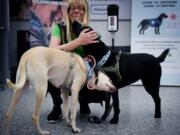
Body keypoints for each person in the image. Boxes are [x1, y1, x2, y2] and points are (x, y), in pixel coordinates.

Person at [30, 0, 98, 122]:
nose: (76, 10)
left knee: (96, 72)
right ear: (67, 11)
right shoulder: (59, 27)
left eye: (80, 8)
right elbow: (51, 49)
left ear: (85, 11)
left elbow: (95, 56)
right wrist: (78, 42)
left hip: (82, 71)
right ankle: (57, 106)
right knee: (49, 70)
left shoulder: (88, 30)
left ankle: (83, 101)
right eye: (72, 8)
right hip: (63, 70)